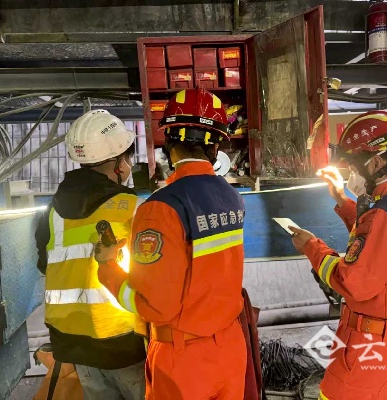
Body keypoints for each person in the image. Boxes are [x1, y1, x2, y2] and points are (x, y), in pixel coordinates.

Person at [95, 87, 247, 400]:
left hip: (184, 360)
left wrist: (108, 269)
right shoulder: (231, 196)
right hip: (231, 347)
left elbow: (157, 307)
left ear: (168, 142)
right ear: (216, 146)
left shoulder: (160, 208)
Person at [289, 111, 387, 400]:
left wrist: (311, 247)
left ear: (377, 163)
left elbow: (354, 282)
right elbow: (377, 249)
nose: (351, 175)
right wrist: (343, 200)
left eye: (354, 167)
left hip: (367, 341)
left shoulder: (385, 213)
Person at [35, 110, 146, 400]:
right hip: (124, 339)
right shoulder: (130, 205)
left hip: (73, 343)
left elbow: (45, 265)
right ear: (119, 162)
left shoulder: (52, 211)